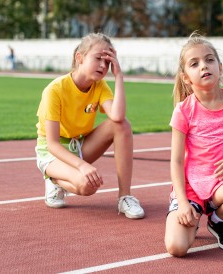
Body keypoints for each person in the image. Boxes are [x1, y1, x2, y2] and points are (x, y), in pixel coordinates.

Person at [164, 33, 223, 256]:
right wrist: (183, 202)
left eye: (209, 60)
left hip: (222, 186)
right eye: (194, 64)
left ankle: (217, 220)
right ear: (186, 78)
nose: (204, 66)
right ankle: (194, 214)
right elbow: (176, 161)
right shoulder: (183, 110)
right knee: (177, 248)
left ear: (220, 67)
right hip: (190, 189)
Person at [34, 33, 145, 219]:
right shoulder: (54, 90)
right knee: (87, 186)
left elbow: (117, 116)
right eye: (98, 58)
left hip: (78, 146)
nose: (103, 65)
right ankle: (53, 179)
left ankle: (125, 196)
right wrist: (83, 166)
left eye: (108, 62)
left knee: (122, 125)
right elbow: (52, 144)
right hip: (52, 152)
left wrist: (119, 77)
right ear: (80, 57)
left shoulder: (100, 86)